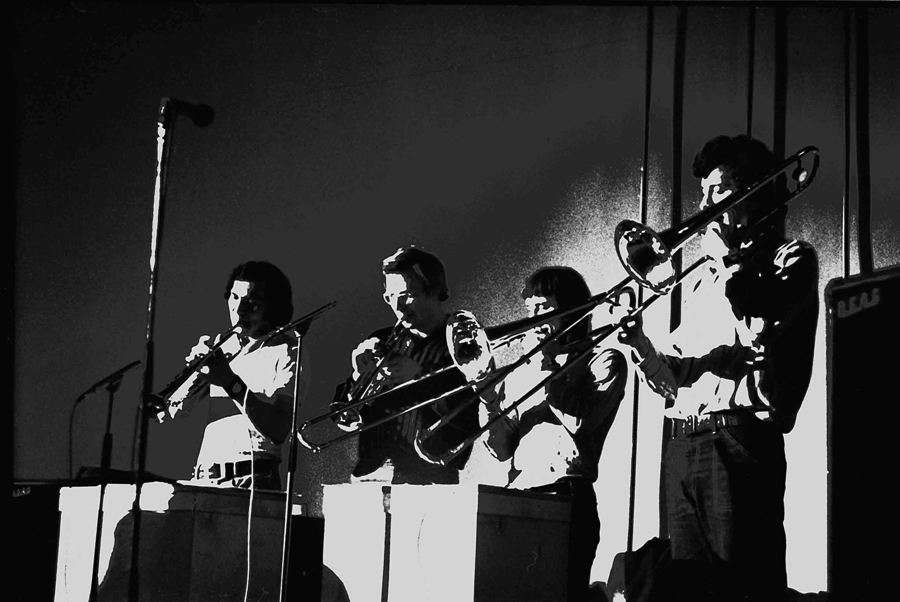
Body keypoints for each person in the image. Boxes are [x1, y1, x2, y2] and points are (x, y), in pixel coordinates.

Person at [618, 134, 819, 600]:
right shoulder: (703, 279)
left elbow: (759, 332)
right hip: (684, 444)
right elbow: (678, 379)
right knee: (688, 589)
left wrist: (728, 259)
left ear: (755, 193)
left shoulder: (790, 258)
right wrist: (640, 344)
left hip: (739, 439)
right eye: (703, 193)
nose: (704, 207)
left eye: (719, 191)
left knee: (742, 586)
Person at [480, 266, 628, 602]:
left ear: (572, 310)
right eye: (529, 309)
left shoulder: (604, 361)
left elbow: (579, 421)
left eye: (543, 307)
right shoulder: (524, 370)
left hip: (567, 496)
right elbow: (501, 450)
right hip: (518, 497)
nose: (532, 319)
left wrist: (546, 366)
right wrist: (488, 398)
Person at [329, 245, 483, 485]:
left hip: (430, 479)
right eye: (390, 297)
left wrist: (419, 379)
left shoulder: (465, 344)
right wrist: (358, 377)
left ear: (435, 291)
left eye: (407, 295)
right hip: (370, 478)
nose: (398, 306)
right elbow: (344, 418)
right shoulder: (380, 339)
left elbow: (469, 422)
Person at [159, 260, 302, 490]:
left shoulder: (288, 351)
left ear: (272, 306)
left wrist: (228, 380)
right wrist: (192, 376)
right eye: (234, 297)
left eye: (252, 302)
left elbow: (278, 429)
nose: (239, 309)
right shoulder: (226, 348)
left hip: (253, 481)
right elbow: (172, 414)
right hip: (205, 476)